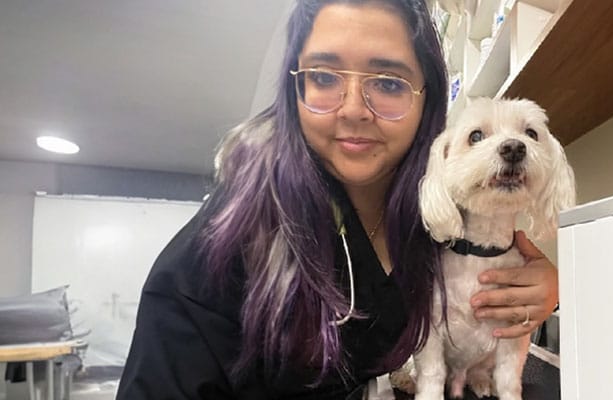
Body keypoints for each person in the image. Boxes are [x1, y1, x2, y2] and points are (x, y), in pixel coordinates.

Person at [117, 0, 560, 399]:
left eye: (387, 83)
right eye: (325, 77)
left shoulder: (432, 219)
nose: (353, 109)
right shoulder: (217, 250)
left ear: (427, 102)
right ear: (296, 90)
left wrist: (545, 292)